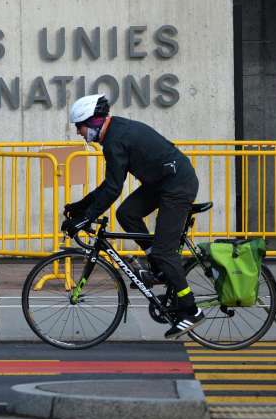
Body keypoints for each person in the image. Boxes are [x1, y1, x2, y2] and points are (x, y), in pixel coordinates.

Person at [60, 93, 204, 339]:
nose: (78, 133)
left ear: (93, 121)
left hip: (177, 186)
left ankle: (191, 309)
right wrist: (81, 207)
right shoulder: (115, 134)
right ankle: (159, 268)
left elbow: (113, 188)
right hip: (161, 183)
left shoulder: (116, 140)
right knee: (127, 213)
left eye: (79, 127)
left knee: (164, 250)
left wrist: (86, 217)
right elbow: (109, 185)